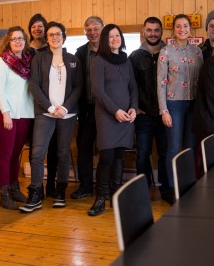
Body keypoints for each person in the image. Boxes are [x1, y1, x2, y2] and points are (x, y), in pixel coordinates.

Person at [21, 22, 83, 212]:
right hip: (45, 113)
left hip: (67, 114)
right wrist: (49, 106)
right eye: (51, 35)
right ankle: (35, 194)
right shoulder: (39, 59)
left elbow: (79, 87)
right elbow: (34, 85)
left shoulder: (73, 59)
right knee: (38, 154)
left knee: (63, 153)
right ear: (46, 38)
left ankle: (60, 192)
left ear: (63, 36)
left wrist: (64, 107)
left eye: (58, 34)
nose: (54, 37)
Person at [88, 24, 138, 216]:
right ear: (104, 40)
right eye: (110, 37)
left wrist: (133, 108)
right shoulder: (98, 61)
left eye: (117, 35)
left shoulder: (126, 61)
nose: (115, 39)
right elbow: (98, 91)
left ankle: (116, 196)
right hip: (107, 116)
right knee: (107, 156)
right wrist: (115, 110)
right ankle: (101, 198)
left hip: (126, 116)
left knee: (119, 156)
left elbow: (133, 87)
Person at [157, 14, 203, 194]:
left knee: (191, 147)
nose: (182, 29)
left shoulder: (197, 51)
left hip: (193, 106)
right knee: (174, 147)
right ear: (173, 29)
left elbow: (203, 80)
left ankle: (188, 184)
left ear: (190, 28)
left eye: (185, 26)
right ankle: (171, 187)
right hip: (173, 104)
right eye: (178, 26)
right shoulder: (166, 52)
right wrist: (164, 110)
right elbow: (161, 82)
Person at [128, 17, 171, 204]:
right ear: (144, 31)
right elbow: (130, 85)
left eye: (156, 30)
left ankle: (166, 189)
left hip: (164, 114)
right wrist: (135, 106)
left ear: (162, 31)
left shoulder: (169, 52)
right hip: (143, 115)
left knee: (165, 152)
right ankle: (142, 190)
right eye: (149, 30)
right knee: (143, 153)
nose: (153, 33)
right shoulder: (135, 56)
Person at [0, 27, 34, 209]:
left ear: (25, 41)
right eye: (14, 39)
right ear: (8, 42)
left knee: (16, 155)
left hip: (24, 114)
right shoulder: (3, 62)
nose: (18, 41)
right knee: (6, 155)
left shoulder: (29, 61)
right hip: (4, 114)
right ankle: (4, 194)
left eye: (21, 38)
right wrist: (6, 113)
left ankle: (15, 189)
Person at [71, 16, 104, 200]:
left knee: (105, 150)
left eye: (96, 28)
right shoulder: (80, 53)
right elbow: (76, 82)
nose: (92, 32)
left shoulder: (111, 49)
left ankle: (103, 186)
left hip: (108, 111)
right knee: (83, 148)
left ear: (103, 29)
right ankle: (85, 186)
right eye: (88, 29)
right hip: (86, 109)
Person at [27, 13, 59, 197]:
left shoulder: (54, 49)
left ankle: (52, 185)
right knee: (36, 149)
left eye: (40, 26)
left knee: (53, 147)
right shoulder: (26, 50)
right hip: (33, 106)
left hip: (53, 106)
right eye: (34, 26)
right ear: (30, 29)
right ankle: (35, 185)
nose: (37, 29)